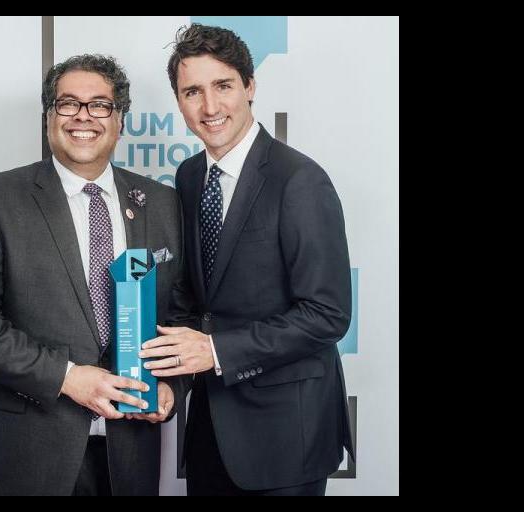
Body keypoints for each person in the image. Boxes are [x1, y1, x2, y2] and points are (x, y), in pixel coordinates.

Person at [0, 54, 189, 496]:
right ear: (49, 116)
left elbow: (180, 314)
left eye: (100, 105)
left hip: (130, 455)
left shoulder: (161, 202)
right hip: (27, 454)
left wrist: (172, 386)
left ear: (120, 121)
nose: (83, 117)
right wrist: (66, 377)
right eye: (68, 103)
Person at [138, 24, 355, 496]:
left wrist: (216, 352)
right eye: (193, 92)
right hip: (210, 433)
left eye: (223, 86)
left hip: (286, 435)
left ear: (250, 86)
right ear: (179, 101)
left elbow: (327, 314)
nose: (210, 107)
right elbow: (194, 300)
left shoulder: (299, 180)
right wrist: (169, 380)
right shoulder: (189, 176)